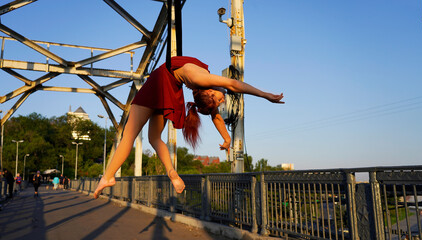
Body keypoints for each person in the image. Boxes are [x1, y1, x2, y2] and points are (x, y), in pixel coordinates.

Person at [93, 56, 284, 199]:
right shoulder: (201, 81)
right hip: (167, 89)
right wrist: (265, 95)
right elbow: (233, 85)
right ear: (209, 93)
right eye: (220, 99)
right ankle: (171, 173)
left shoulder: (202, 82)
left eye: (220, 100)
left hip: (159, 83)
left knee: (130, 136)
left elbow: (217, 112)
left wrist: (227, 138)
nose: (223, 98)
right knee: (153, 138)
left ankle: (108, 176)